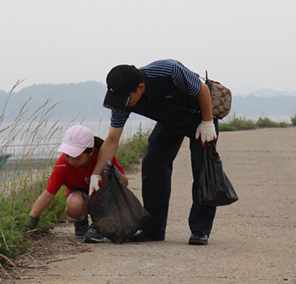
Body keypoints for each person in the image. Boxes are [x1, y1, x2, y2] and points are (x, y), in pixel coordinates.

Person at [89, 59, 218, 245]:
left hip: (200, 115)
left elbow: (202, 89)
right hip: (169, 121)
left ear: (140, 87)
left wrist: (207, 122)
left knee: (203, 169)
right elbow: (111, 140)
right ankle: (153, 229)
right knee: (153, 163)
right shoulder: (121, 98)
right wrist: (95, 173)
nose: (123, 105)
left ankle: (200, 230)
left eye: (126, 100)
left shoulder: (168, 71)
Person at [27, 124, 127, 243]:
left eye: (77, 158)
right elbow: (49, 193)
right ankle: (80, 221)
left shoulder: (103, 155)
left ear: (90, 152)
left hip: (104, 196)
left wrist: (113, 174)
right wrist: (31, 218)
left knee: (106, 175)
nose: (71, 161)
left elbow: (125, 183)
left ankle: (100, 224)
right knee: (74, 206)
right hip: (79, 195)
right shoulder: (63, 164)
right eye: (68, 156)